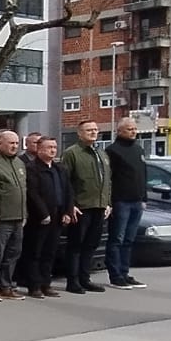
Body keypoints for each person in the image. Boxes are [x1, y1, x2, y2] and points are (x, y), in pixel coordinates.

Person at [21, 137, 75, 298]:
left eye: (54, 147)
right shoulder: (32, 168)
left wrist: (67, 211)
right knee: (35, 252)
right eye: (49, 147)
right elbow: (33, 193)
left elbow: (68, 191)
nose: (53, 150)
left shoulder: (60, 168)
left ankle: (46, 283)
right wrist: (43, 213)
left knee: (50, 252)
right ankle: (34, 285)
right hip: (40, 218)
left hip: (58, 215)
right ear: (39, 149)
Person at [63, 120, 112, 295]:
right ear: (79, 133)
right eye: (89, 130)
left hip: (99, 206)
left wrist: (108, 202)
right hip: (81, 207)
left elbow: (107, 180)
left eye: (95, 129)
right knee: (76, 245)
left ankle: (85, 278)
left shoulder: (101, 153)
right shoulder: (72, 153)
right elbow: (65, 181)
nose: (93, 132)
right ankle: (73, 281)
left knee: (91, 245)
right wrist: (70, 205)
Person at [0, 130, 29, 301]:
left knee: (14, 253)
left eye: (16, 143)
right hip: (1, 218)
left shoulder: (19, 163)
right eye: (11, 143)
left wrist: (24, 213)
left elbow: (23, 190)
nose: (14, 146)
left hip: (18, 216)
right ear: (0, 144)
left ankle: (6, 285)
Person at [105, 118, 149, 289]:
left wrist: (144, 198)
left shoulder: (138, 149)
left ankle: (125, 272)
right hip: (120, 201)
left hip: (137, 201)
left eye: (135, 129)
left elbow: (143, 175)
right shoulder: (112, 151)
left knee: (129, 240)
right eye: (129, 129)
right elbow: (109, 178)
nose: (133, 132)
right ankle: (115, 275)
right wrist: (109, 202)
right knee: (117, 239)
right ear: (120, 131)